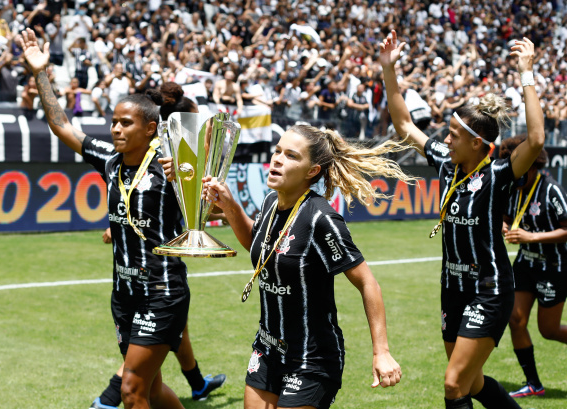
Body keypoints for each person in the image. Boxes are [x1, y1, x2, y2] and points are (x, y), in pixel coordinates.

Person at [17, 29, 224, 409]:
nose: (115, 128)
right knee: (151, 388)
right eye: (114, 121)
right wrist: (41, 73)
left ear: (150, 129)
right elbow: (62, 124)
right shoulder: (110, 162)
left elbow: (216, 212)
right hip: (123, 295)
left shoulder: (172, 165)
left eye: (126, 123)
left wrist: (188, 180)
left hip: (161, 292)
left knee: (130, 391)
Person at [380, 30, 545, 409]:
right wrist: (389, 71)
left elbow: (535, 140)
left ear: (477, 144)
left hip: (489, 289)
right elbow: (405, 127)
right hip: (451, 287)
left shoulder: (499, 174)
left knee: (453, 384)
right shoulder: (445, 164)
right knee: (471, 384)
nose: (446, 139)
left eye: (454, 134)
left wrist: (526, 74)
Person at [203, 124, 409, 408]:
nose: (277, 159)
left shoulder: (321, 219)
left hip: (311, 358)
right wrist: (231, 207)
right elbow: (258, 242)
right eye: (277, 152)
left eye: (290, 156)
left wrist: (381, 352)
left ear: (312, 171)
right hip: (266, 348)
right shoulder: (270, 202)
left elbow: (367, 283)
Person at [499, 136, 567, 398]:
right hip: (526, 263)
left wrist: (532, 237)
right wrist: (504, 226)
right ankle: (534, 384)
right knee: (515, 320)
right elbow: (505, 217)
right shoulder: (513, 188)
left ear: (531, 164)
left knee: (548, 330)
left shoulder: (552, 190)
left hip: (554, 265)